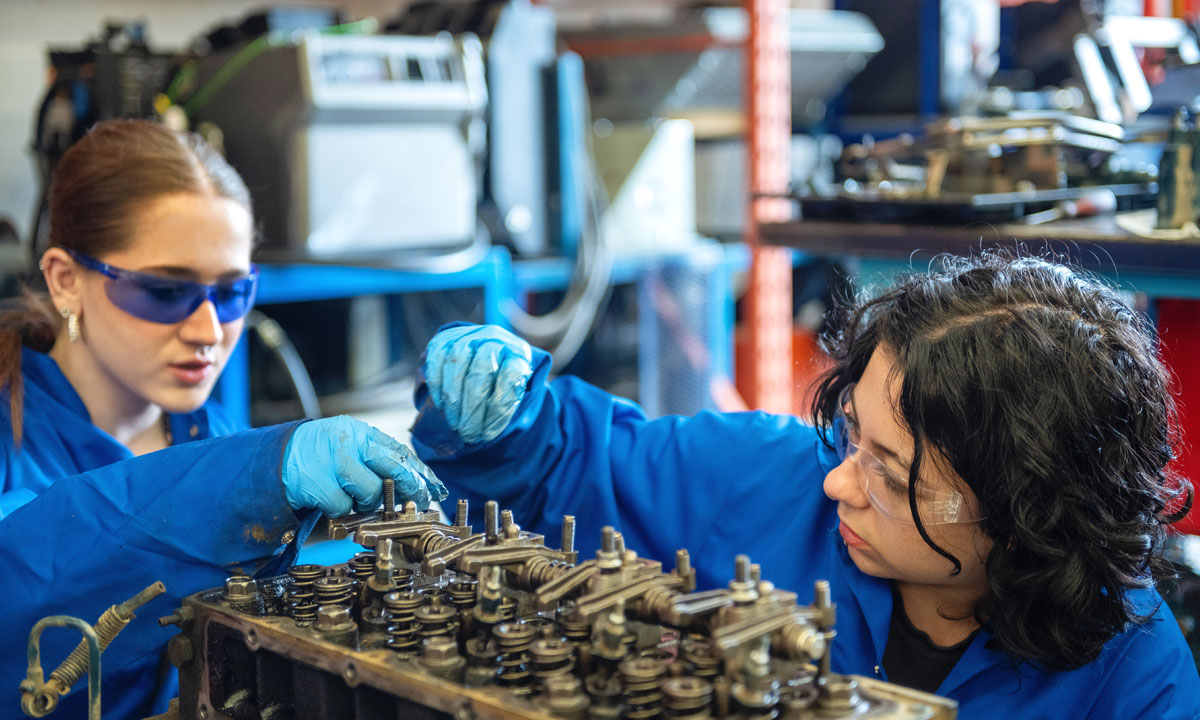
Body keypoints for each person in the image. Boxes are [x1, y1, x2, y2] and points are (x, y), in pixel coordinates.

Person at [411, 254, 1200, 718]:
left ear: (1026, 516)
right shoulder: (766, 476)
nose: (841, 486)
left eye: (890, 474)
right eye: (853, 432)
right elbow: (567, 465)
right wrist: (500, 419)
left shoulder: (1132, 674)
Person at [0, 118, 446, 718]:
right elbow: (23, 582)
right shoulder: (16, 442)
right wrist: (243, 485)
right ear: (65, 281)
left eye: (232, 293)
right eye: (164, 291)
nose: (209, 331)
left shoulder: (214, 435)